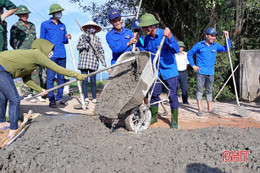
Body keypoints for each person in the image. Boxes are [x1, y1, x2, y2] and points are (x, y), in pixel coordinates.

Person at [0, 39, 87, 138]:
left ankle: (1, 123)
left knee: (3, 98)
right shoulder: (37, 54)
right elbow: (57, 68)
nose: (51, 53)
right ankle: (14, 130)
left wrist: (40, 89)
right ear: (44, 48)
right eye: (50, 50)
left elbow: (26, 79)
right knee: (15, 99)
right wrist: (77, 75)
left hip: (2, 69)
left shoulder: (32, 59)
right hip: (2, 68)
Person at [138, 13, 179, 129]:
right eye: (143, 27)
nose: (144, 29)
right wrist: (138, 46)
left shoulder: (164, 34)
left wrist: (170, 37)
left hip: (169, 69)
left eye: (146, 27)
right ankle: (154, 117)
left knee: (172, 95)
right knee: (154, 94)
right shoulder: (146, 38)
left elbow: (175, 49)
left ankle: (174, 121)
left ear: (153, 25)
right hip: (155, 71)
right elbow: (146, 52)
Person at [187, 28, 230, 116]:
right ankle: (200, 109)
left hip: (211, 72)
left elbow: (227, 48)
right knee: (200, 90)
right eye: (211, 35)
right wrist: (193, 65)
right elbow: (189, 53)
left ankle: (210, 109)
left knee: (209, 91)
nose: (213, 37)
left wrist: (227, 37)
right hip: (201, 72)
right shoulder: (199, 45)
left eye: (214, 36)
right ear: (206, 35)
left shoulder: (215, 46)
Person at [9, 5, 45, 102]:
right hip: (23, 53)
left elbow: (35, 39)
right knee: (25, 73)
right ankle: (27, 94)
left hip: (33, 53)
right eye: (22, 14)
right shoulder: (15, 26)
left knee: (36, 71)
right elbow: (12, 41)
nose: (25, 15)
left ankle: (37, 93)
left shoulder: (32, 26)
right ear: (19, 15)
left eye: (26, 14)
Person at [40, 4, 71, 108]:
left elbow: (65, 40)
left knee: (61, 78)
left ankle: (59, 98)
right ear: (52, 13)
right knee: (50, 78)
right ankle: (51, 99)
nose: (60, 14)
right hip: (51, 55)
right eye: (58, 12)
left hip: (62, 54)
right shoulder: (45, 24)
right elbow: (42, 40)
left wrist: (68, 37)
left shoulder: (63, 25)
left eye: (60, 12)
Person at [77, 20, 106, 103]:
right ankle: (86, 97)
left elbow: (101, 51)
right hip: (84, 62)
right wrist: (86, 44)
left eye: (94, 27)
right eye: (90, 27)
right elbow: (78, 47)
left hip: (94, 63)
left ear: (96, 29)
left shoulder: (98, 39)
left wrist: (103, 62)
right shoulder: (82, 37)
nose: (92, 29)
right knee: (84, 80)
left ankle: (94, 98)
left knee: (93, 81)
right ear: (87, 28)